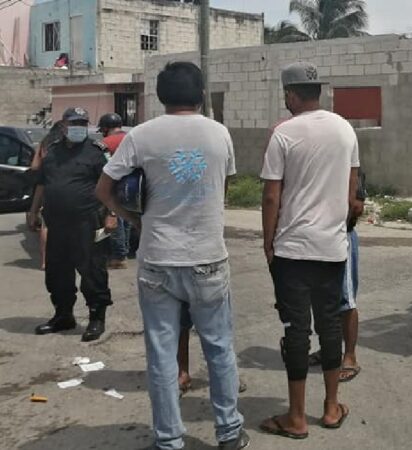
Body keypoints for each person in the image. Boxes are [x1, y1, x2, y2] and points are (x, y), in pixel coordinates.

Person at [96, 61, 248, 450]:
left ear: (160, 95)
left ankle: (169, 441)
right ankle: (229, 432)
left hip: (158, 259)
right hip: (209, 257)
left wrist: (133, 217)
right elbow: (223, 187)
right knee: (218, 347)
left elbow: (103, 190)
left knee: (162, 354)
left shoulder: (141, 136)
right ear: (200, 94)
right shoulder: (220, 134)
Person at [260, 61, 359, 439]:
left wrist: (268, 242)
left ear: (290, 94)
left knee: (296, 331)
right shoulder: (345, 129)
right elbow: (352, 196)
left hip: (292, 251)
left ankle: (296, 416)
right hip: (332, 249)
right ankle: (331, 407)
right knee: (329, 327)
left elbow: (272, 196)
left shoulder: (283, 134)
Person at [28, 108, 114, 342]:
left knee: (92, 271)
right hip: (56, 222)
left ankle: (97, 318)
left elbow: (112, 185)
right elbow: (43, 183)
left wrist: (112, 214)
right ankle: (63, 315)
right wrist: (34, 210)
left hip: (88, 221)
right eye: (74, 122)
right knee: (57, 273)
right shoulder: (53, 152)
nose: (79, 126)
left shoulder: (97, 152)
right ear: (64, 125)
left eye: (83, 122)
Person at [309, 168, 367, 382]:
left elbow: (357, 207)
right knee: (321, 298)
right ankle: (328, 350)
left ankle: (350, 356)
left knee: (345, 300)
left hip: (341, 236)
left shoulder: (350, 163)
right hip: (317, 238)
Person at [27, 121, 66, 271]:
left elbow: (35, 166)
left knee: (46, 225)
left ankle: (45, 262)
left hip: (48, 186)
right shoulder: (68, 144)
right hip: (69, 186)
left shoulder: (45, 142)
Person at [98, 112, 130, 269]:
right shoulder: (133, 137)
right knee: (128, 220)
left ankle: (118, 256)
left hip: (115, 186)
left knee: (116, 220)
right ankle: (124, 251)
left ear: (105, 128)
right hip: (135, 187)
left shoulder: (105, 143)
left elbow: (103, 166)